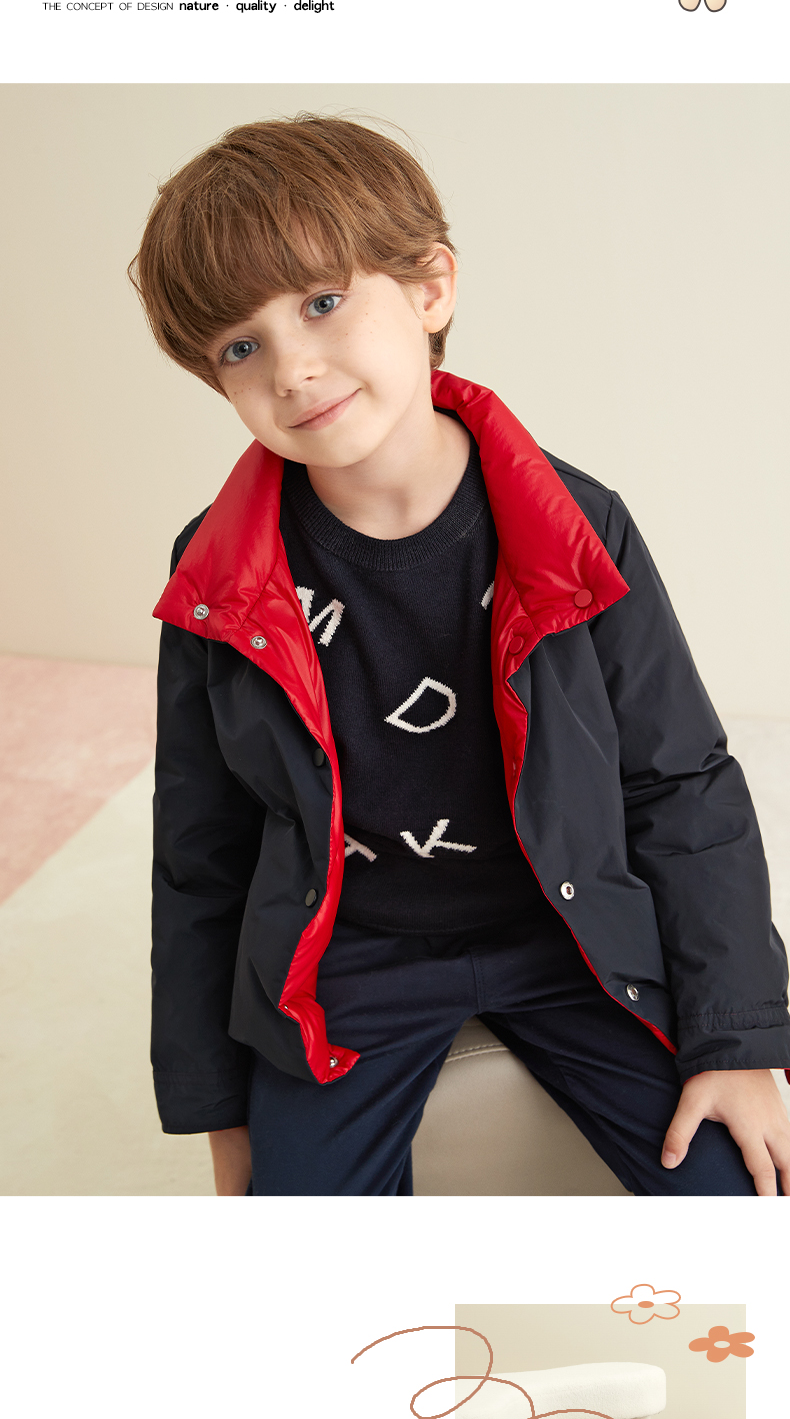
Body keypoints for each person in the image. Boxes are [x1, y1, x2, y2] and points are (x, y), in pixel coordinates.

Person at [130, 114, 790, 1197]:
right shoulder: (217, 571)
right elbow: (201, 848)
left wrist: (738, 1039)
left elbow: (679, 777)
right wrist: (217, 1106)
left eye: (322, 302)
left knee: (736, 1191)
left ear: (430, 287)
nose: (293, 368)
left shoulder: (576, 522)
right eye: (241, 348)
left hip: (572, 933)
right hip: (349, 962)